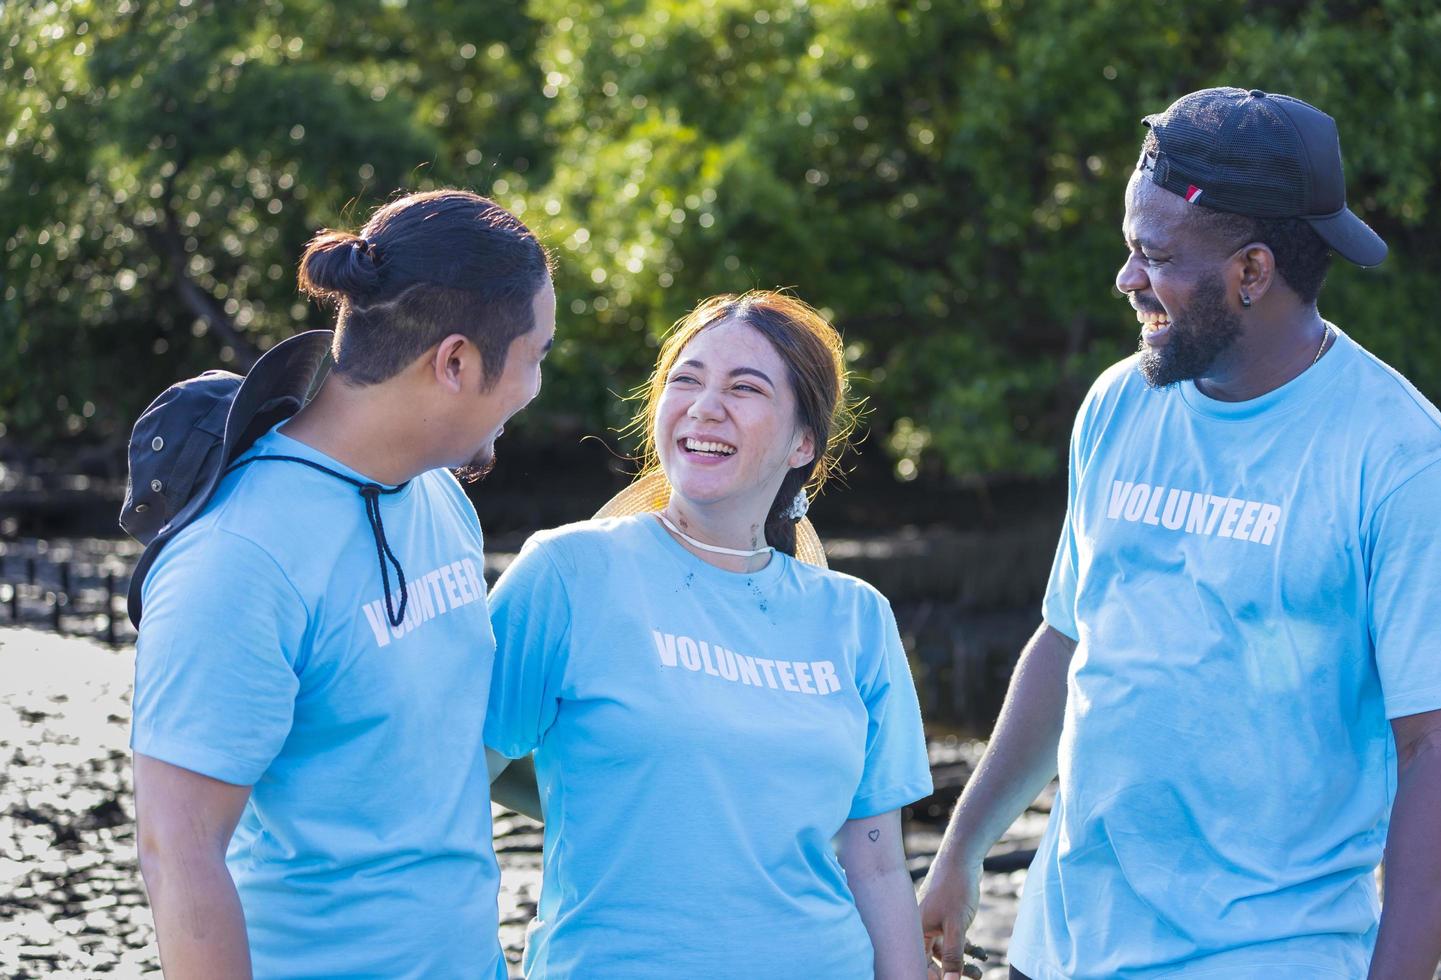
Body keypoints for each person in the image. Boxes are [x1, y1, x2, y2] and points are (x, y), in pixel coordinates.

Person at [919, 88, 1441, 980]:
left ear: (1252, 272)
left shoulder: (1405, 463)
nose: (1126, 280)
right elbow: (1066, 641)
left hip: (1268, 958)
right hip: (1059, 949)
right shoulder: (1119, 401)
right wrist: (963, 846)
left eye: (1154, 255)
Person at [128, 190, 555, 979]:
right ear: (455, 361)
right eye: (536, 356)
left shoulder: (439, 496)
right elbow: (175, 850)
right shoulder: (237, 558)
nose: (536, 385)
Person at [483, 291, 933, 978]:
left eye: (744, 388)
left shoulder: (857, 619)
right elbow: (444, 789)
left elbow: (875, 865)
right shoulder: (570, 573)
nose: (704, 406)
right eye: (685, 381)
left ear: (803, 442)